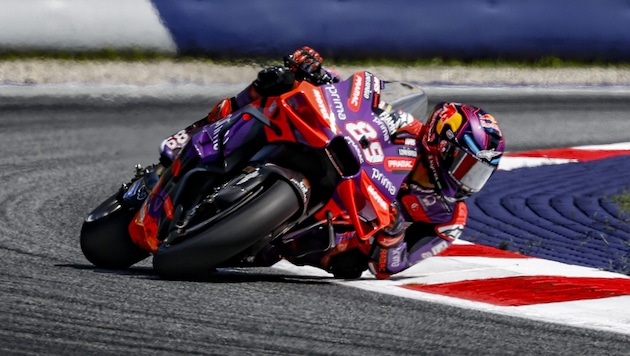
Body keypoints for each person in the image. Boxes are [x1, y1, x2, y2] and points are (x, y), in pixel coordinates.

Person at [158, 46, 506, 280]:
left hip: (341, 235)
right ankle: (194, 134)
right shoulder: (408, 128)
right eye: (465, 166)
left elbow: (392, 267)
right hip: (340, 167)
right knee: (277, 84)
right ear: (439, 143)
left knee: (348, 265)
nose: (467, 180)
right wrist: (319, 74)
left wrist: (394, 233)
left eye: (479, 172)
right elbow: (358, 102)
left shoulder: (448, 217)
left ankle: (257, 232)